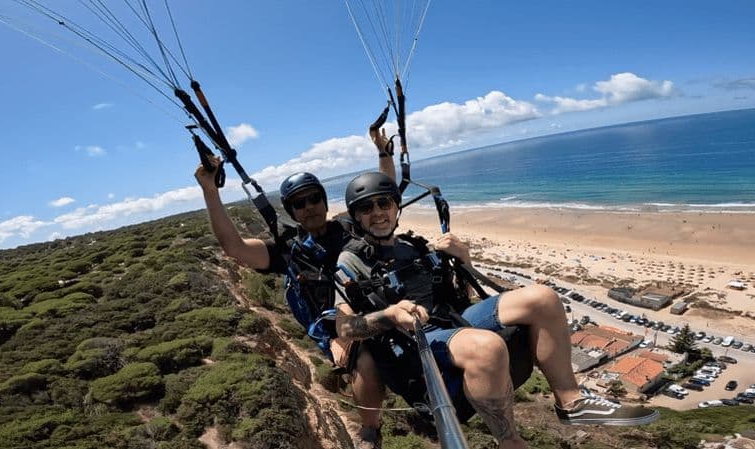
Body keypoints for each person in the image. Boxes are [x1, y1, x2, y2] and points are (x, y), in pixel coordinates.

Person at [333, 172, 659, 449]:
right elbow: (345, 328)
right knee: (487, 347)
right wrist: (390, 316)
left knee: (542, 298)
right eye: (366, 208)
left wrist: (464, 260)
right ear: (356, 216)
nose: (377, 213)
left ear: (395, 206)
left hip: (452, 321)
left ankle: (570, 401)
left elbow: (457, 294)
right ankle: (510, 440)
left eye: (383, 203)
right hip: (412, 344)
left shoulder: (413, 247)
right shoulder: (350, 262)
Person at [194, 127, 395, 449]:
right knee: (365, 360)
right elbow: (233, 246)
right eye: (300, 204)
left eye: (314, 198)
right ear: (291, 212)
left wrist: (384, 153)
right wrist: (210, 190)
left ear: (324, 201)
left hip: (378, 308)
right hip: (339, 329)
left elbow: (381, 196)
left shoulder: (348, 226)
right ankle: (371, 430)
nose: (309, 207)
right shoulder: (287, 251)